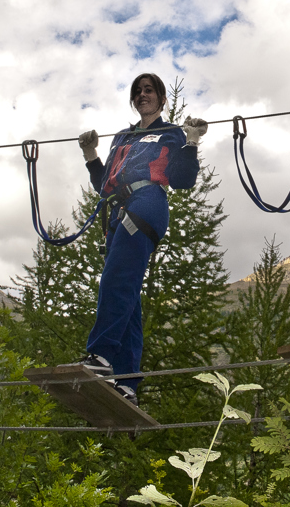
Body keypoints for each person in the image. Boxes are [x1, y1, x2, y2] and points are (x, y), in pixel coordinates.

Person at [75, 73, 208, 405]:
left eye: (149, 90)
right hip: (119, 209)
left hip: (147, 203)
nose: (143, 94)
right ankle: (127, 382)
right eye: (138, 91)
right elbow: (105, 184)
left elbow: (181, 180)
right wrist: (91, 155)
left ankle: (101, 356)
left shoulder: (170, 133)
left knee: (117, 278)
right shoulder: (122, 137)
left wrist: (190, 142)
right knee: (128, 296)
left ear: (162, 99)